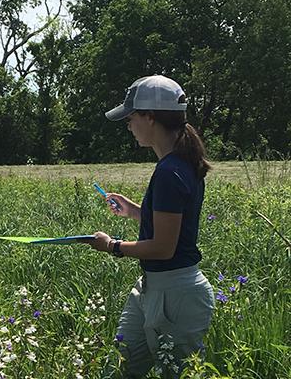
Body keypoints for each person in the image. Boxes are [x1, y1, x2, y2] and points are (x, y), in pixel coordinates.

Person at [88, 75, 215, 378]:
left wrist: (111, 246)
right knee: (117, 371)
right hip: (153, 289)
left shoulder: (171, 171)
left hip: (177, 296)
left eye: (131, 117)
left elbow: (163, 247)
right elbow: (171, 225)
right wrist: (134, 211)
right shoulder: (177, 165)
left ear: (150, 117)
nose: (129, 125)